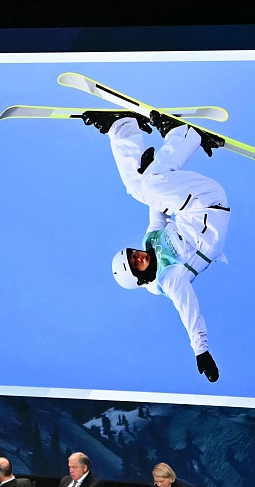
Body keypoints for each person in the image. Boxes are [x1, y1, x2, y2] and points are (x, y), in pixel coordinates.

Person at [84, 110, 230, 383]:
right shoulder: (170, 279)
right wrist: (202, 351)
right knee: (149, 185)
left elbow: (156, 211)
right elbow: (189, 310)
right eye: (137, 263)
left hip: (195, 204)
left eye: (133, 254)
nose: (140, 255)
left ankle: (126, 127)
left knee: (139, 186)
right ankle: (184, 134)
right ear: (141, 278)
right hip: (208, 210)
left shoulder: (151, 242)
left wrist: (149, 169)